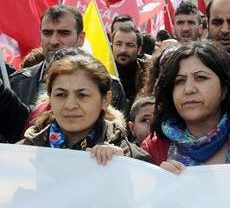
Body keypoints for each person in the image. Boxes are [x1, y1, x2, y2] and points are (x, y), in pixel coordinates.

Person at [20, 54, 150, 164]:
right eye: (61, 95)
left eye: (82, 95)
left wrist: (123, 170)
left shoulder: (134, 160)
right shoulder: (23, 153)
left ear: (105, 100)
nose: (70, 105)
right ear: (50, 98)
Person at [141, 41, 230, 173]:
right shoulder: (153, 148)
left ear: (224, 89)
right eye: (179, 81)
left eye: (201, 78)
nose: (189, 89)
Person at [10, 5, 128, 114]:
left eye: (64, 33)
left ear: (80, 38)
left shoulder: (110, 85)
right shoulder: (18, 83)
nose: (54, 41)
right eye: (47, 33)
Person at [112, 24, 148, 106]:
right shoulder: (102, 72)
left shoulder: (149, 73)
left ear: (139, 49)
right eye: (118, 44)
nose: (123, 50)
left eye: (129, 45)